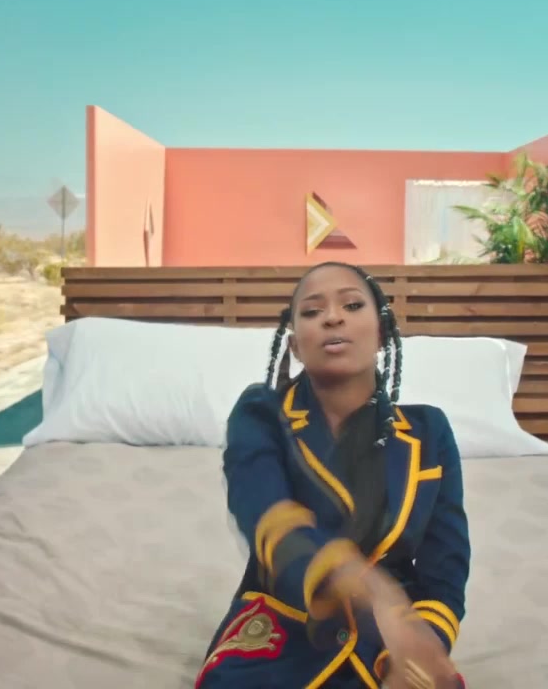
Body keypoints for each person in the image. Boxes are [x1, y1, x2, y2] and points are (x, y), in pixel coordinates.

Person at [195, 262, 470, 689]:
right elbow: (267, 518)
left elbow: (446, 563)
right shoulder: (261, 414)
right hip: (284, 633)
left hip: (392, 643)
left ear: (381, 333)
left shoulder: (429, 432)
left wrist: (423, 643)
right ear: (295, 346)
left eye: (353, 305)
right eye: (311, 311)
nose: (332, 317)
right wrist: (364, 586)